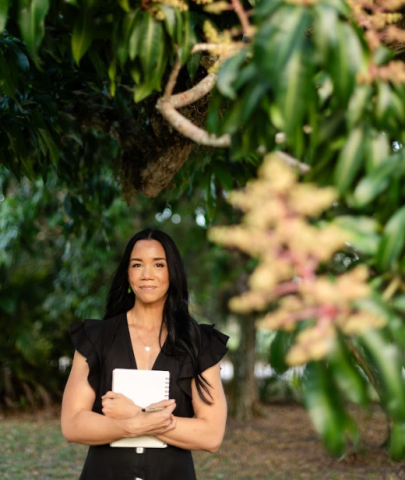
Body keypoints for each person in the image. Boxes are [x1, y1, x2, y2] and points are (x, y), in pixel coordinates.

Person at [61, 228, 229, 480]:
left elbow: (211, 435)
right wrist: (132, 425)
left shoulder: (198, 342)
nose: (147, 274)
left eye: (158, 264)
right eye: (137, 264)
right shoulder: (96, 337)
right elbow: (72, 425)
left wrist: (134, 412)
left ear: (172, 272)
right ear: (127, 274)